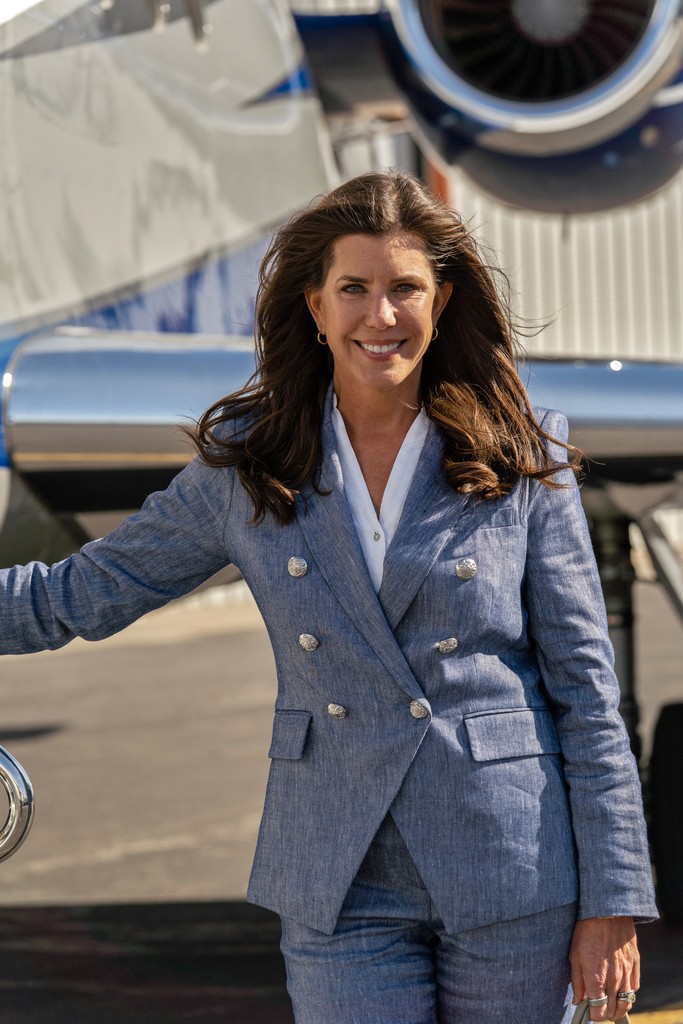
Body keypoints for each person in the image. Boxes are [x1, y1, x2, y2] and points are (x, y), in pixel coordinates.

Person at [0, 171, 656, 1024]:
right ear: (313, 307)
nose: (379, 317)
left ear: (442, 301)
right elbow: (79, 594)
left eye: (404, 289)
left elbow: (585, 695)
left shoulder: (521, 456)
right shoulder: (249, 464)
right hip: (336, 872)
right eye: (353, 289)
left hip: (509, 862)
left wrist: (611, 901)